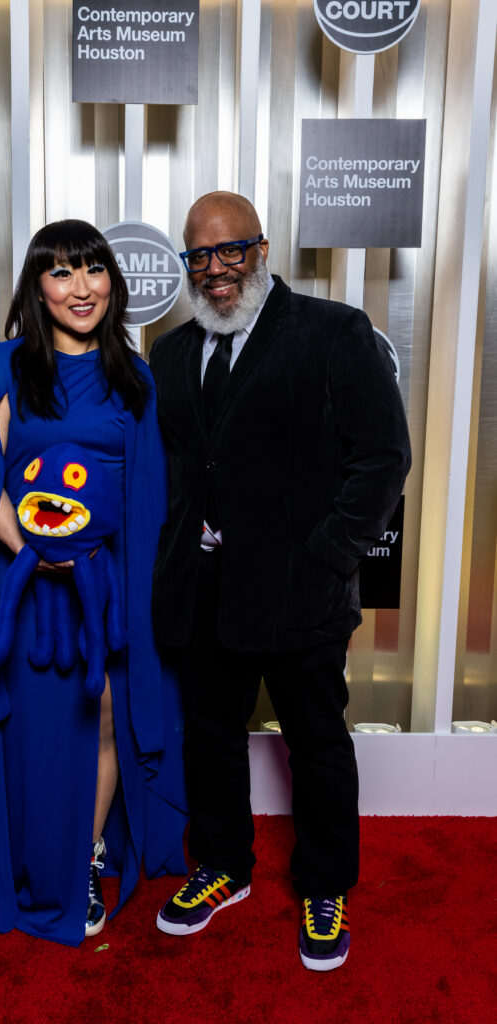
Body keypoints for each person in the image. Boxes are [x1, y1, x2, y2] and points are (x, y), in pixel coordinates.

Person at [149, 191, 411, 971]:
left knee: (317, 744)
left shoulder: (332, 332)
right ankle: (223, 867)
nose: (215, 270)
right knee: (209, 739)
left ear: (261, 250)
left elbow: (383, 457)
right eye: (198, 255)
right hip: (202, 592)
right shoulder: (168, 353)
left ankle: (324, 885)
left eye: (230, 251)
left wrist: (328, 555)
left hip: (302, 592)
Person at [0, 220, 187, 946]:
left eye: (92, 270)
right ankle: (32, 858)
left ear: (112, 280)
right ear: (37, 287)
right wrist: (37, 551)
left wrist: (131, 589)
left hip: (107, 585)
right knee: (37, 725)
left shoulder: (132, 373)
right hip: (26, 581)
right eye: (61, 273)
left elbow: (148, 493)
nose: (80, 288)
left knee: (109, 714)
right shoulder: (3, 367)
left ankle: (84, 857)